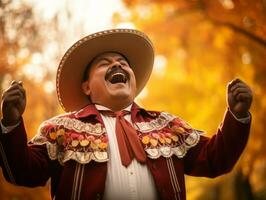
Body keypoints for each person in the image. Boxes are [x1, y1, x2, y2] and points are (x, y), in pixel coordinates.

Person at [0, 29, 252, 200]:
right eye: (104, 63)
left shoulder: (168, 125)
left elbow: (216, 159)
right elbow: (21, 172)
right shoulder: (59, 129)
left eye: (122, 61)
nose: (117, 65)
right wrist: (11, 122)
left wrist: (236, 115)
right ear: (86, 86)